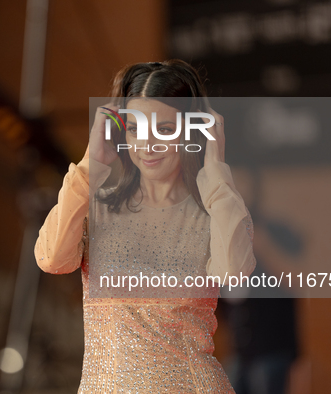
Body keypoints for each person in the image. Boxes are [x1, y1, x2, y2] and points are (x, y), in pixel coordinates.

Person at [34, 59, 256, 393]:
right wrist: (89, 165)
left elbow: (234, 277)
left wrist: (216, 171)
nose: (147, 145)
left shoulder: (214, 213)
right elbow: (51, 258)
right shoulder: (96, 206)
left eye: (165, 130)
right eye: (136, 128)